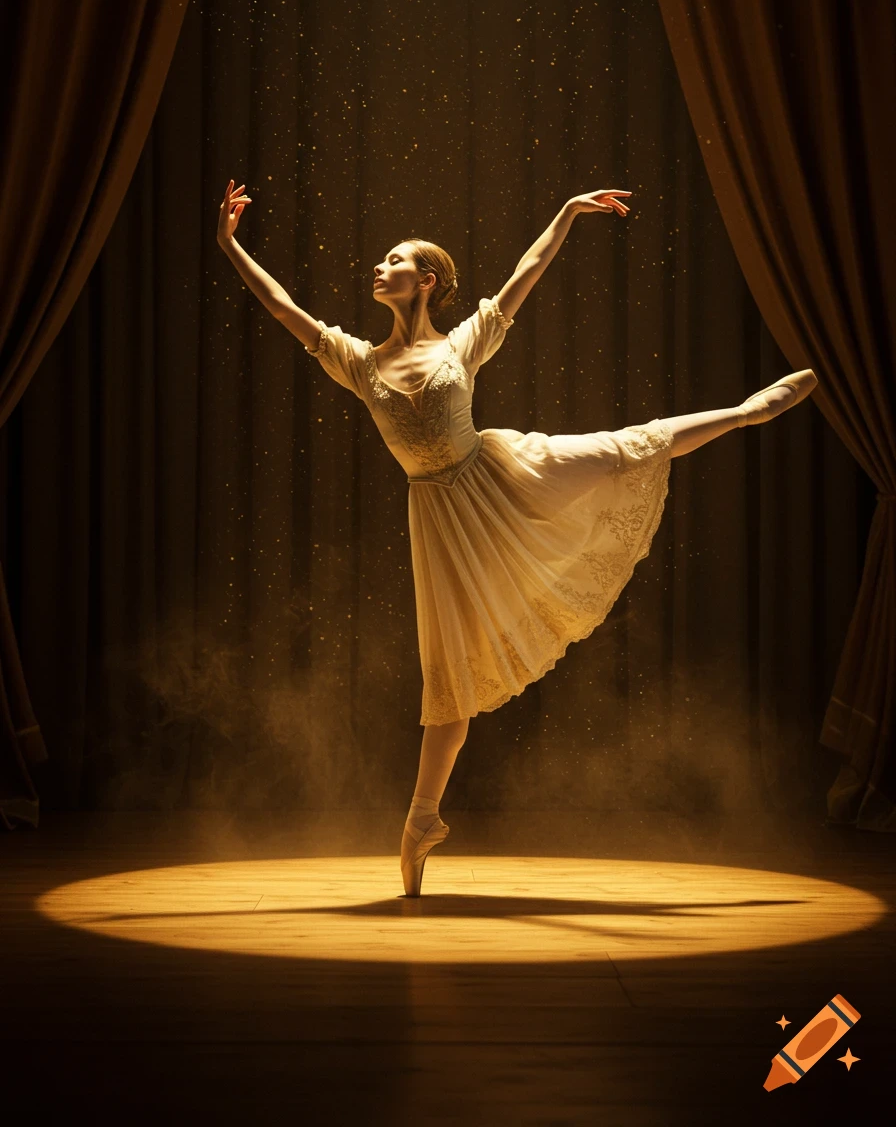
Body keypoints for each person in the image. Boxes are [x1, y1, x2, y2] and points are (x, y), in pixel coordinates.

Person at [217, 179, 817, 896]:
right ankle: (420, 823)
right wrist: (230, 244)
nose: (378, 268)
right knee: (452, 680)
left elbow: (523, 275)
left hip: (499, 474)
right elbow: (284, 307)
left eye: (394, 259)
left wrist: (565, 212)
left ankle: (745, 414)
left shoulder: (462, 345)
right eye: (380, 260)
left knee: (617, 448)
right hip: (440, 521)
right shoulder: (357, 360)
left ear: (426, 280)